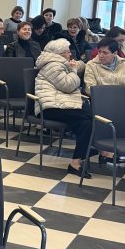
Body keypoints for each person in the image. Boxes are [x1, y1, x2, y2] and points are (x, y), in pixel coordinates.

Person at [83, 38, 125, 176]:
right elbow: (89, 88)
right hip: (103, 105)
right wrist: (116, 95)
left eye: (105, 53)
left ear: (114, 53)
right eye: (99, 52)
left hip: (124, 105)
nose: (101, 55)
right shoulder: (91, 65)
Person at [34, 38, 97, 178]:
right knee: (90, 115)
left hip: (60, 103)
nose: (70, 54)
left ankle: (76, 162)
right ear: (60, 54)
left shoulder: (59, 63)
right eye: (68, 52)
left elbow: (79, 65)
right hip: (49, 107)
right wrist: (73, 70)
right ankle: (93, 148)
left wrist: (79, 65)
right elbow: (68, 85)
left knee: (86, 123)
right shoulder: (52, 65)